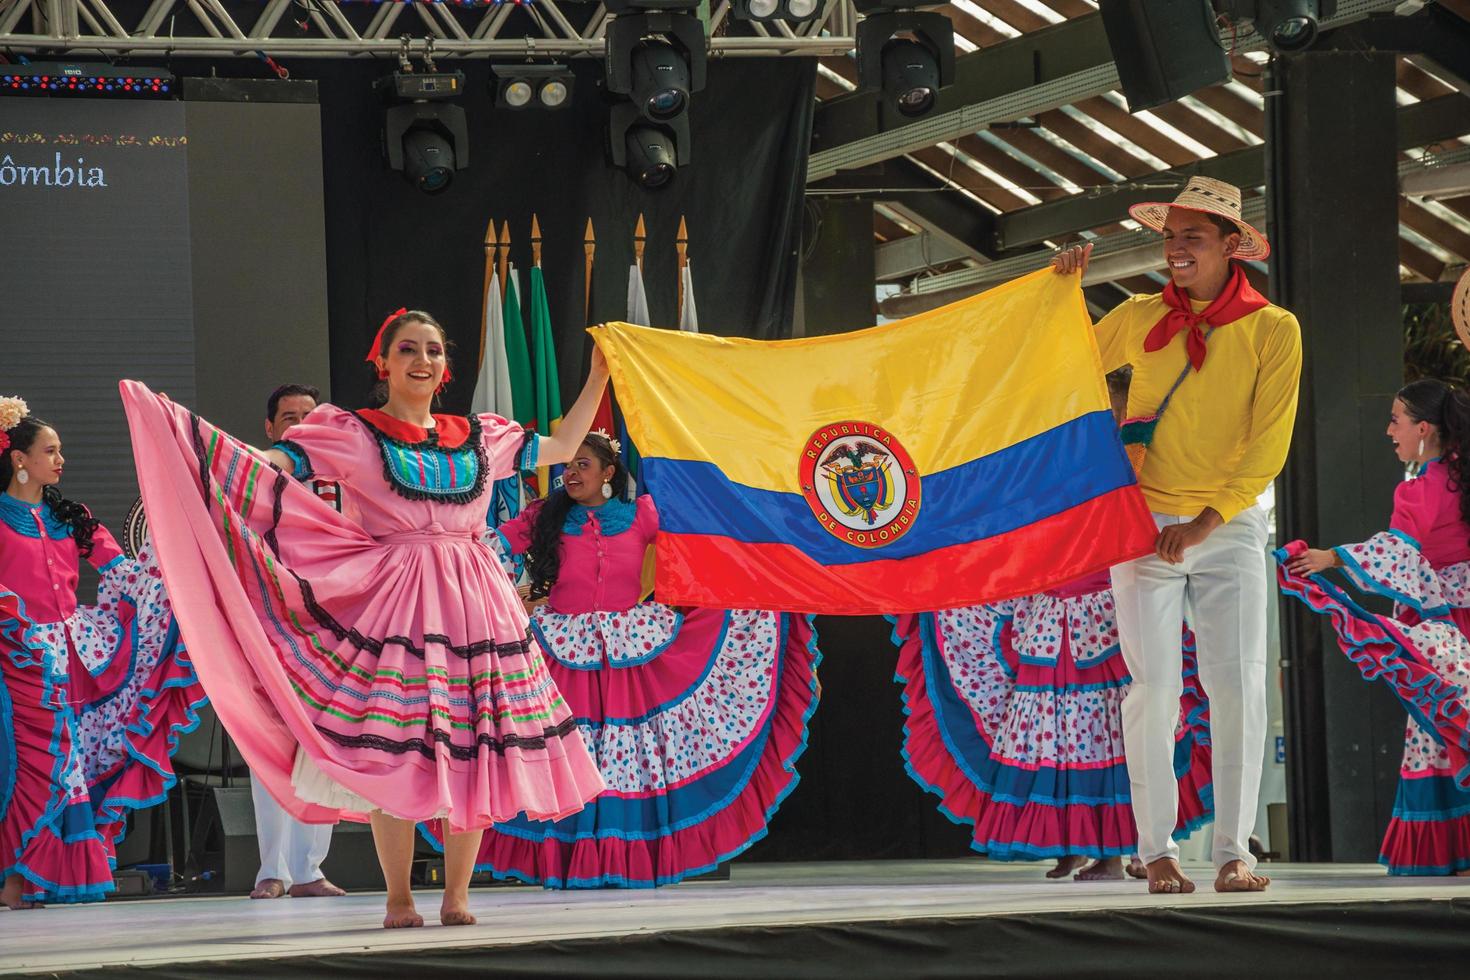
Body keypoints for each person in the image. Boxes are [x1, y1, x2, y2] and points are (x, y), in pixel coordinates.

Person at [119, 309, 611, 928]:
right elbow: (280, 461)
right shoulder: (354, 432)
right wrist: (198, 441)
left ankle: (457, 895)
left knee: (472, 743)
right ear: (384, 363)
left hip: (476, 601)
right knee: (397, 750)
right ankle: (400, 895)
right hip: (400, 602)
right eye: (408, 349)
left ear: (445, 365)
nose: (422, 361)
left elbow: (564, 446)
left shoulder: (481, 434)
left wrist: (597, 377)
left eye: (433, 350)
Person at [425, 433, 821, 887]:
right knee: (558, 748)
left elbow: (703, 536)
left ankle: (622, 855)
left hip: (630, 649)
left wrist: (761, 539)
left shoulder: (643, 516)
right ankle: (566, 855)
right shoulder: (544, 517)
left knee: (624, 757)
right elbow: (488, 549)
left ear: (609, 473)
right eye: (566, 467)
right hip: (561, 650)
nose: (570, 474)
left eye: (582, 466)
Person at [1053, 176, 1302, 894]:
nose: (1174, 250)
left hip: (1226, 525)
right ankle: (1155, 850)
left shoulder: (1272, 328)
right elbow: (1063, 365)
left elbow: (1269, 444)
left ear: (1232, 246)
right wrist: (1060, 295)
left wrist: (1206, 522)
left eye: (1190, 238)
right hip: (1143, 523)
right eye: (1168, 238)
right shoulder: (1136, 315)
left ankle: (1234, 852)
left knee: (1239, 687)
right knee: (1153, 691)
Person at [888, 371, 1212, 881]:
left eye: (1116, 407)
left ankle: (1122, 846)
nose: (1109, 415)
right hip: (1050, 610)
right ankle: (1070, 844)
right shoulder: (1062, 455)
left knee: (1115, 730)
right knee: (1055, 736)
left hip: (1112, 604)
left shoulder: (1145, 460)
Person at [0, 397, 205, 908]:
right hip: (18, 661)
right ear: (19, 459)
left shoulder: (72, 517)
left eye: (60, 450)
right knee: (27, 765)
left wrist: (178, 564)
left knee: (67, 764)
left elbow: (125, 575)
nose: (60, 459)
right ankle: (14, 880)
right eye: (50, 451)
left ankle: (31, 881)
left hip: (73, 657)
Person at [1278, 379, 1470, 876]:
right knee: (1448, 726)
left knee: (1441, 727)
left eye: (1395, 421)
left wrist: (1330, 558)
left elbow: (1398, 551)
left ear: (1423, 429)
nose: (1389, 431)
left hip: (1447, 627)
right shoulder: (1460, 479)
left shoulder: (1421, 488)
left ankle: (1453, 853)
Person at [247, 384, 344, 900]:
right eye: (289, 417)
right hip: (272, 629)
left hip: (333, 633)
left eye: (310, 415)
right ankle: (272, 869)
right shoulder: (253, 481)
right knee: (271, 745)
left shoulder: (345, 482)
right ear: (270, 429)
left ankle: (308, 869)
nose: (301, 424)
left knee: (324, 746)